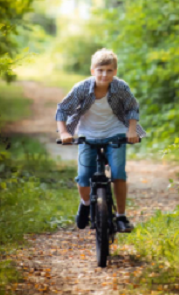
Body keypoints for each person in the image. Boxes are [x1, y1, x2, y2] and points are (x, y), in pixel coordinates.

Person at [55, 48, 146, 232]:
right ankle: (86, 203)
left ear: (115, 71)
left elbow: (132, 108)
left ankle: (121, 216)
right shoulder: (81, 88)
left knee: (119, 172)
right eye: (100, 70)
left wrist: (131, 130)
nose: (104, 74)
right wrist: (64, 132)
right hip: (88, 135)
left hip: (116, 133)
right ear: (92, 71)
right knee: (83, 176)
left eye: (109, 70)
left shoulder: (121, 87)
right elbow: (63, 109)